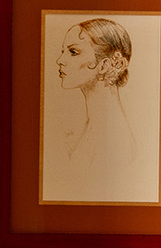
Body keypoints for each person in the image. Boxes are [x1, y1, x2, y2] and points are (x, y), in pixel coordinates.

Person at [53, 15, 146, 196]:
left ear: (104, 65)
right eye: (62, 51)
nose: (60, 60)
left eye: (73, 52)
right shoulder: (91, 128)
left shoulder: (112, 139)